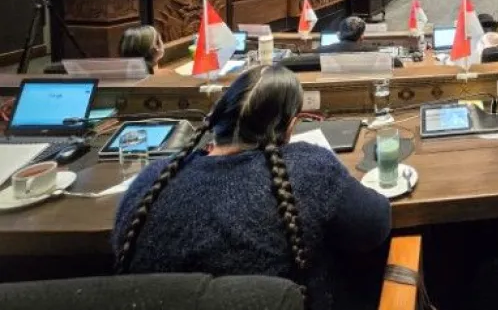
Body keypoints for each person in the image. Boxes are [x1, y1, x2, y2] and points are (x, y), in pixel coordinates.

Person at [112, 65, 391, 309]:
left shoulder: (150, 180)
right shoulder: (309, 167)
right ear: (290, 126)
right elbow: (375, 226)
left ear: (217, 120)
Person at [318, 16, 403, 67]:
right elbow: (397, 63)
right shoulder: (374, 51)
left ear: (339, 35)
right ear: (362, 36)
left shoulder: (322, 51)